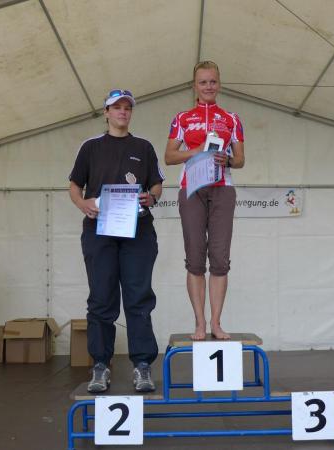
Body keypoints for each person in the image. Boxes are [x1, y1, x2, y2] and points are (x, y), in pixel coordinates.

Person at [69, 89, 163, 393]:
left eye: (127, 107)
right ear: (106, 112)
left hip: (138, 231)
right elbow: (74, 185)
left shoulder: (144, 146)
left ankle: (142, 365)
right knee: (101, 298)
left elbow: (157, 184)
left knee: (138, 297)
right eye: (117, 107)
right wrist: (82, 204)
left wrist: (152, 197)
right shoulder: (90, 147)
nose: (123, 111)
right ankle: (100, 365)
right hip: (99, 231)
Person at [164, 60, 245, 341]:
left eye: (213, 81)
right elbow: (169, 156)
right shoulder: (183, 118)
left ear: (219, 84)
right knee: (195, 258)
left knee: (220, 259)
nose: (208, 86)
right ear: (194, 86)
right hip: (192, 188)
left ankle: (216, 323)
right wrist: (196, 150)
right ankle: (199, 323)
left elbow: (241, 159)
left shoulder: (232, 119)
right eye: (203, 82)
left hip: (223, 188)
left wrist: (228, 160)